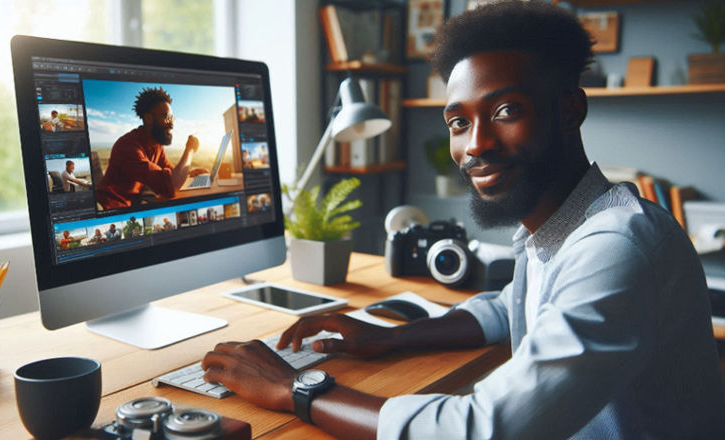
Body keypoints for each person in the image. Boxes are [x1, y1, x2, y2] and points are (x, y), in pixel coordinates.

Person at [199, 3, 725, 439]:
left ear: (570, 110)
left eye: (504, 111)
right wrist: (387, 339)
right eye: (458, 121)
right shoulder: (564, 228)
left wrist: (294, 389)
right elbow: (509, 307)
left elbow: (481, 429)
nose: (475, 145)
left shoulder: (617, 246)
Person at [95, 87, 209, 209]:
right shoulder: (128, 146)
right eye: (166, 117)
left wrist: (189, 174)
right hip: (113, 207)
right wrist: (190, 150)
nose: (172, 123)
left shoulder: (156, 145)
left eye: (172, 118)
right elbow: (170, 187)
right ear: (149, 118)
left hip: (133, 203)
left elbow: (170, 174)